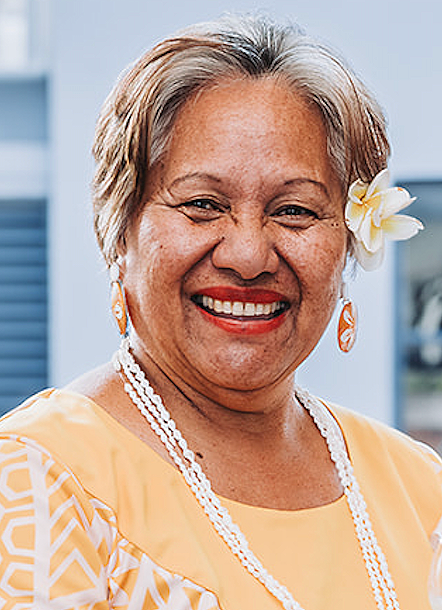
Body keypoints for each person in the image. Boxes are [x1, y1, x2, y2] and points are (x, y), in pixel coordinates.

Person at [0, 14, 440, 610]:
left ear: (349, 242)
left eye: (295, 211)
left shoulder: (419, 489)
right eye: (203, 204)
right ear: (119, 230)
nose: (249, 255)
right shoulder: (38, 481)